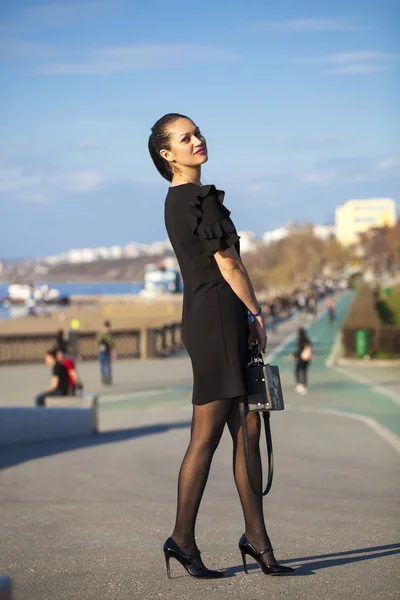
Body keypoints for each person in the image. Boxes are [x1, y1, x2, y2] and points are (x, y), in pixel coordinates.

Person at [148, 113, 294, 579]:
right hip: (216, 320)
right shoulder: (194, 198)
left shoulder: (182, 200)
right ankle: (182, 539)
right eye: (184, 138)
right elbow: (228, 264)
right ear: (167, 155)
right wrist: (255, 311)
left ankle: (258, 540)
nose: (197, 140)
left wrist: (243, 317)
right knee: (206, 436)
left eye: (197, 132)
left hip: (216, 318)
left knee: (247, 429)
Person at [290, 328, 313, 395]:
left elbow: (300, 351)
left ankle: (299, 384)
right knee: (304, 371)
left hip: (301, 359)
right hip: (307, 359)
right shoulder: (307, 340)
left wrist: (294, 355)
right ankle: (305, 384)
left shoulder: (301, 341)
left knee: (297, 371)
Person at [96, 321, 116, 385]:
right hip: (102, 352)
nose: (106, 328)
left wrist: (113, 352)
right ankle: (104, 379)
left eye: (107, 327)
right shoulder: (100, 333)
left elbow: (112, 343)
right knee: (102, 366)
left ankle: (108, 380)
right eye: (105, 327)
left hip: (108, 352)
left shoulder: (110, 334)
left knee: (108, 366)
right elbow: (98, 342)